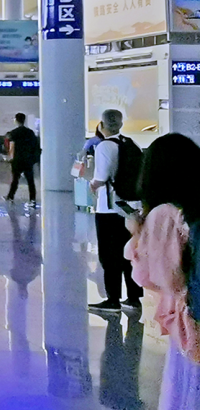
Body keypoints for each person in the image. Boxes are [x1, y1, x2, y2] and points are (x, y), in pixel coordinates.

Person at [125, 132, 200, 408]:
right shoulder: (193, 209)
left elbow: (150, 276)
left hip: (190, 319)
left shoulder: (163, 213)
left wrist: (137, 235)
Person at [88, 108, 144, 314]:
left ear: (102, 125)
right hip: (130, 208)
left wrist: (92, 185)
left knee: (109, 255)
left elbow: (101, 177)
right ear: (120, 124)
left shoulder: (104, 146)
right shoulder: (131, 143)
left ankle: (112, 299)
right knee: (129, 253)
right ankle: (134, 298)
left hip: (109, 208)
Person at [4, 112, 40, 206]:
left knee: (15, 179)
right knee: (30, 181)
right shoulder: (30, 132)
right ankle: (32, 199)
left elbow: (12, 147)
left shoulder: (14, 133)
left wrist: (10, 158)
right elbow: (35, 146)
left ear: (16, 120)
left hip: (17, 159)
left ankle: (10, 197)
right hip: (28, 159)